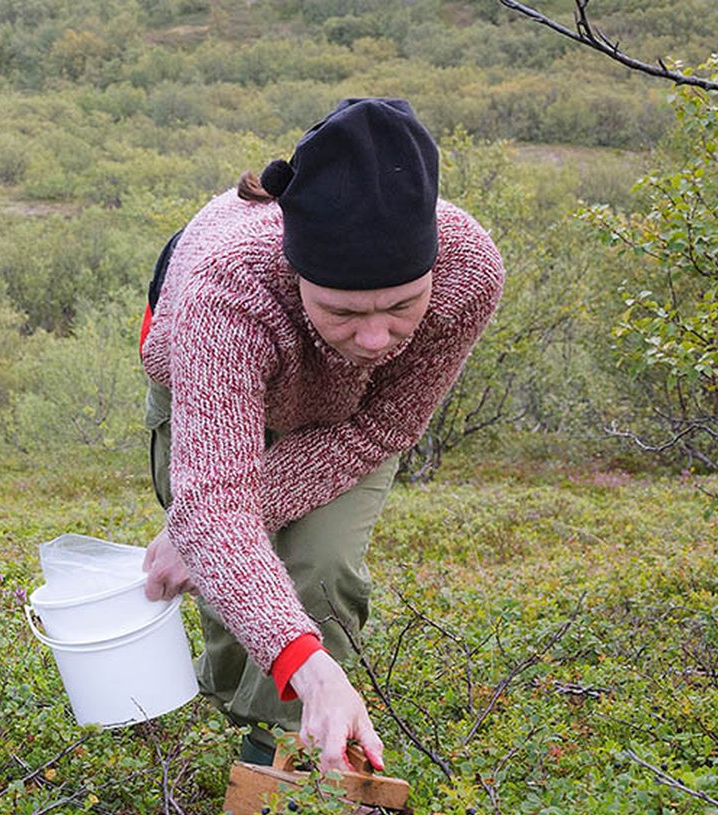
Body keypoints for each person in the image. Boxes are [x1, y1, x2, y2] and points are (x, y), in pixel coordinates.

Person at [138, 98, 504, 773]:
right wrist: (208, 521)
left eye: (402, 307)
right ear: (298, 274)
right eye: (343, 311)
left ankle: (276, 759)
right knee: (220, 558)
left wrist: (218, 526)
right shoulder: (229, 291)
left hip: (351, 416)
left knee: (320, 571)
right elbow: (218, 508)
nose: (376, 339)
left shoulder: (468, 272)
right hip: (211, 376)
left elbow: (387, 423)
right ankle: (237, 688)